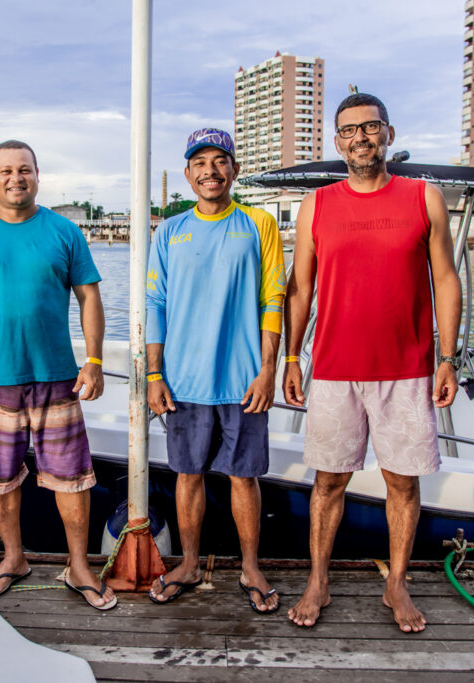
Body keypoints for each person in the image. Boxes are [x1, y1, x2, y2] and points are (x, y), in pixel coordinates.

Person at [282, 93, 463, 632]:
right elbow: (299, 289)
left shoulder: (423, 198)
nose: (360, 137)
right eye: (349, 130)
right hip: (335, 368)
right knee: (328, 482)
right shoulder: (317, 205)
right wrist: (292, 356)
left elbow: (447, 280)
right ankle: (319, 579)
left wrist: (448, 357)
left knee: (402, 485)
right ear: (337, 142)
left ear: (387, 131)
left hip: (408, 368)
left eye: (369, 127)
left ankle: (397, 583)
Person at [0, 140, 116, 610]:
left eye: (25, 169)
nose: (17, 178)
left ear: (38, 175)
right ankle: (14, 558)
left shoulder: (64, 231)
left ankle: (78, 566)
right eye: (7, 170)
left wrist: (93, 361)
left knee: (71, 477)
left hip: (56, 375)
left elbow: (89, 298)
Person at [146, 128, 285, 613]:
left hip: (244, 379)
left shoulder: (259, 225)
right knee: (188, 475)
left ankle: (250, 565)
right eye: (200, 162)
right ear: (188, 174)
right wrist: (153, 374)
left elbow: (274, 299)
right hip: (183, 380)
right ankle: (187, 562)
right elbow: (155, 303)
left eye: (220, 160)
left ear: (235, 169)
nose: (210, 170)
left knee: (244, 478)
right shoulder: (170, 230)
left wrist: (268, 369)